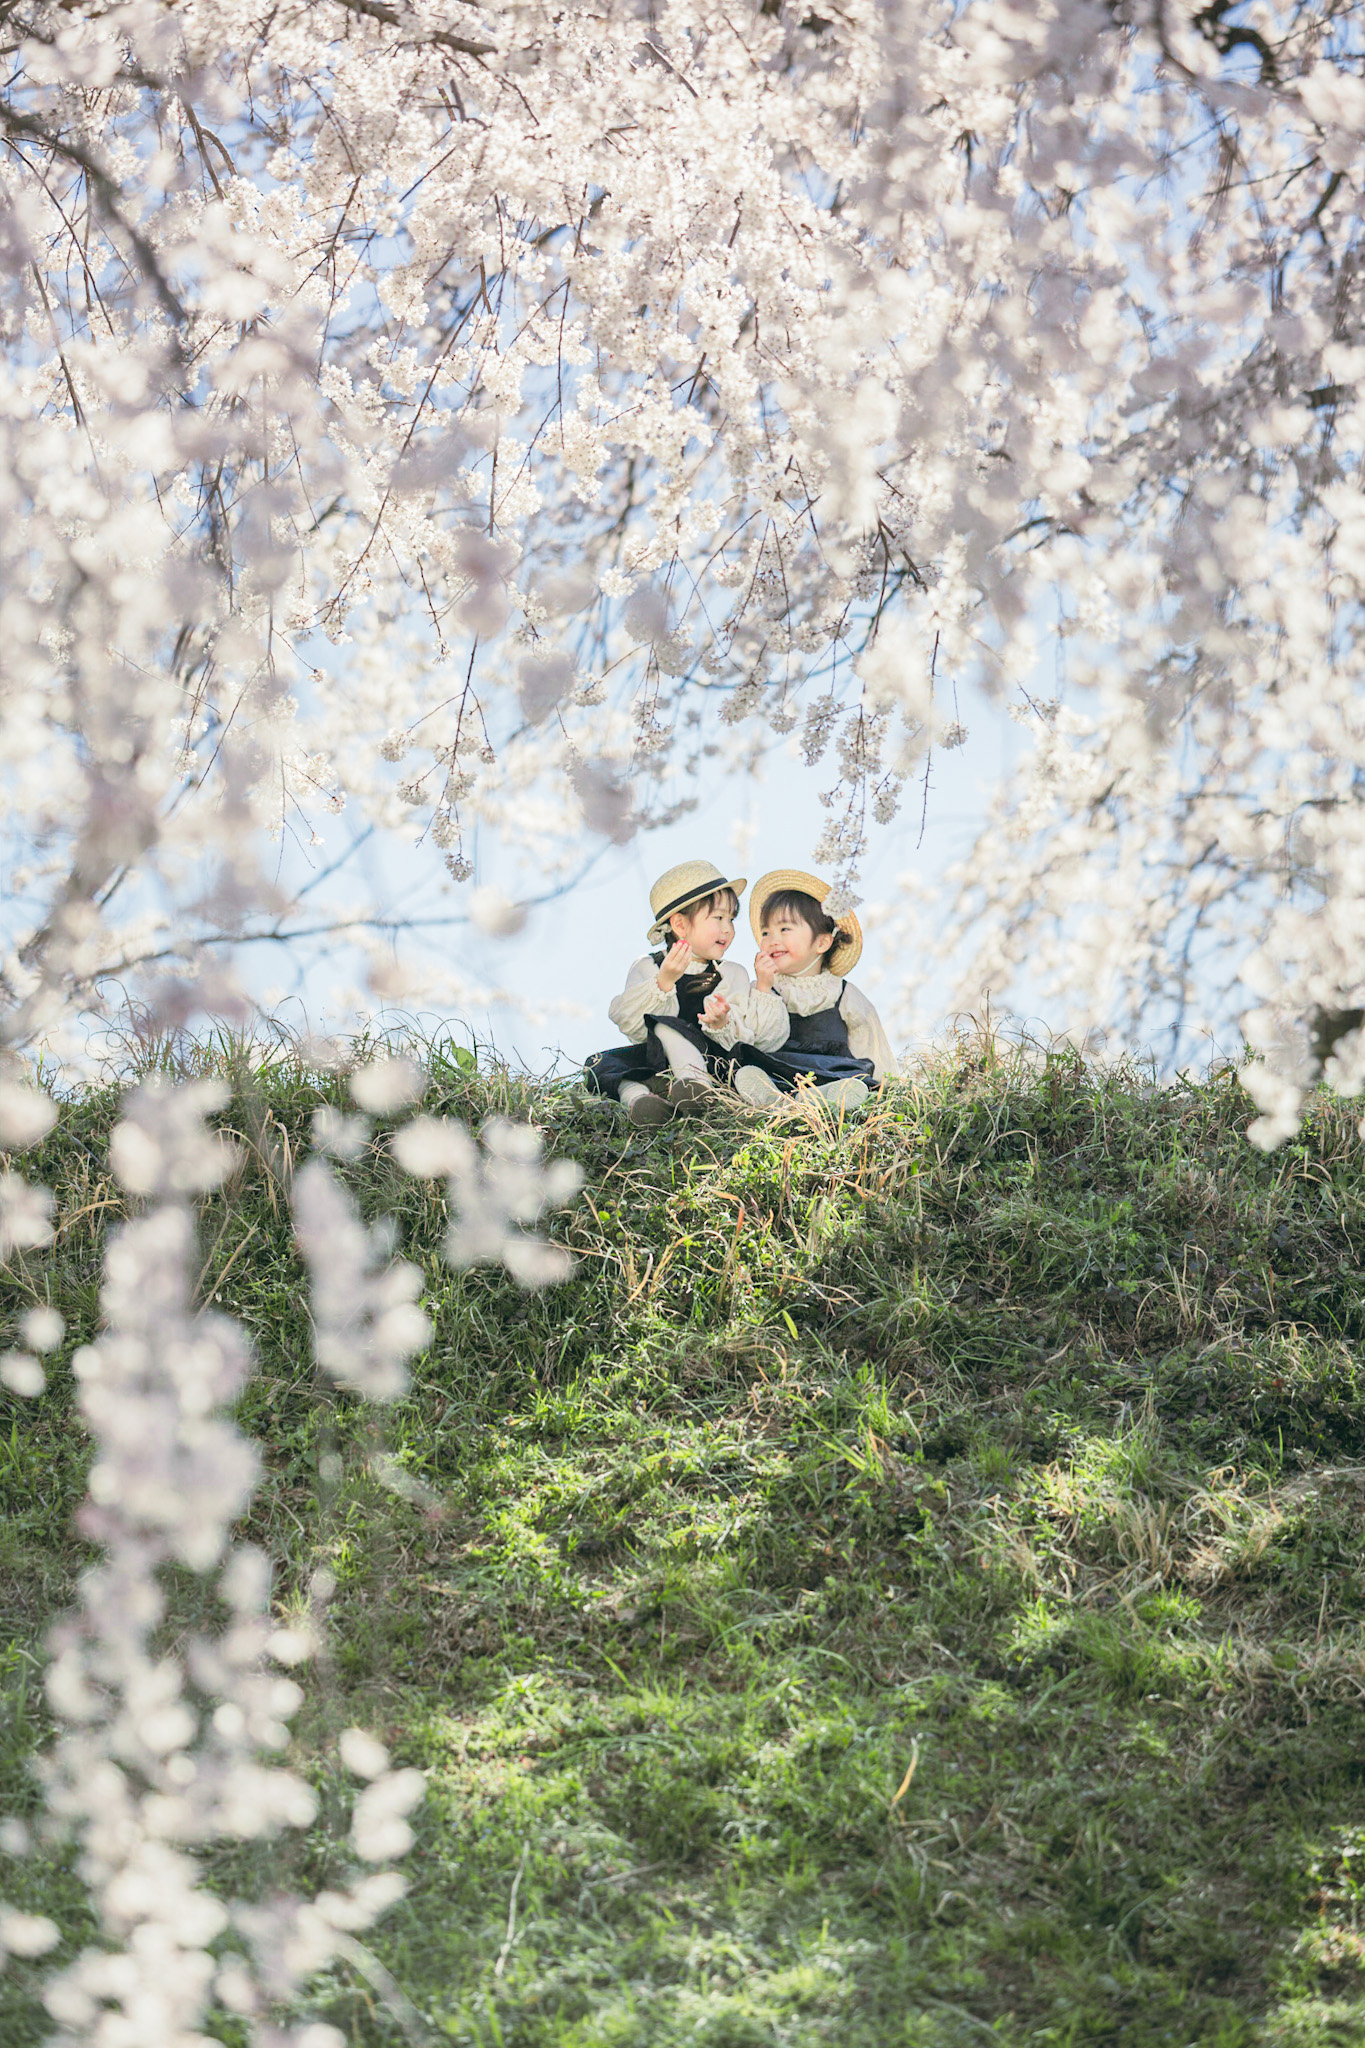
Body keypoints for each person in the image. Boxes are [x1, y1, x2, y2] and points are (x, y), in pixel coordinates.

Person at [583, 860, 787, 1126]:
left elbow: (748, 1033)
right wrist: (665, 981)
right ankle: (641, 1103)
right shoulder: (648, 967)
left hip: (713, 1064)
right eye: (718, 918)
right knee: (608, 1065)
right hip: (659, 1064)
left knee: (671, 1028)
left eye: (731, 919)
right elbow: (635, 1026)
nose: (728, 928)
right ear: (680, 925)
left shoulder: (731, 973)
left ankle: (696, 1088)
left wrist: (722, 1022)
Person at [732, 869, 896, 1111]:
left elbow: (872, 1048)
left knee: (853, 1085)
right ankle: (773, 1099)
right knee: (749, 1071)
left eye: (784, 929)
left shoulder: (843, 994)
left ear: (822, 942)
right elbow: (752, 1040)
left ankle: (820, 1100)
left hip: (834, 1077)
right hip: (780, 1074)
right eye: (766, 932)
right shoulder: (760, 988)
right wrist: (764, 988)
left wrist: (891, 1089)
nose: (771, 939)